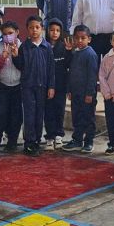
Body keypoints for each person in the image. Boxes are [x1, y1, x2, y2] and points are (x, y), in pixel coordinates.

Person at [12, 16, 56, 156]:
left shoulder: (47, 47)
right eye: (31, 28)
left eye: (37, 27)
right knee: (29, 115)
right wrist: (15, 56)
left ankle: (37, 140)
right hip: (28, 86)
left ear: (42, 28)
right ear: (27, 29)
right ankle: (29, 142)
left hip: (42, 87)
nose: (34, 30)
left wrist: (51, 86)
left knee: (39, 114)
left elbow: (51, 69)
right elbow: (20, 66)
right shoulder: (24, 47)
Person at [62, 25, 98, 153]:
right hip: (75, 92)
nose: (80, 41)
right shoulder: (74, 53)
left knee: (88, 118)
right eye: (77, 38)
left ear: (89, 39)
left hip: (87, 94)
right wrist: (69, 90)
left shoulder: (91, 54)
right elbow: (70, 71)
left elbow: (92, 76)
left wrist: (90, 93)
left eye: (83, 38)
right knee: (77, 117)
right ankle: (77, 140)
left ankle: (89, 142)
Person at [0, 21, 22, 154]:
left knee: (16, 117)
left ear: (17, 32)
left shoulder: (22, 46)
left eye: (10, 33)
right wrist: (3, 58)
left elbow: (24, 66)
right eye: (5, 34)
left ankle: (12, 143)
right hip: (2, 86)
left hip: (17, 86)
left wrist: (16, 56)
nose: (8, 36)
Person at [44, 19, 69, 149]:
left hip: (61, 86)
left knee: (59, 110)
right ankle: (49, 137)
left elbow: (69, 65)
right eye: (52, 30)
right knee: (48, 112)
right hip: (46, 86)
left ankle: (59, 135)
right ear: (47, 31)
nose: (55, 33)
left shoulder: (64, 47)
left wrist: (69, 52)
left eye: (58, 30)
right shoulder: (44, 46)